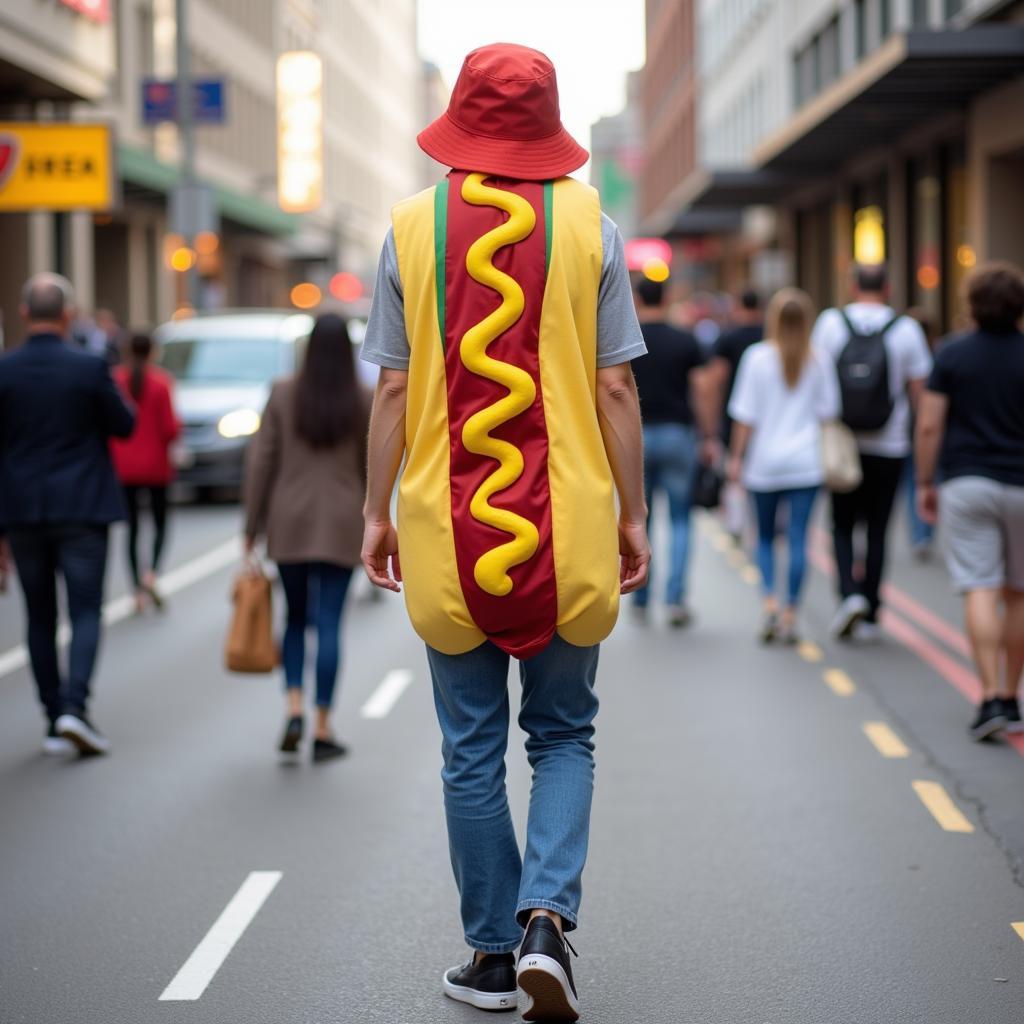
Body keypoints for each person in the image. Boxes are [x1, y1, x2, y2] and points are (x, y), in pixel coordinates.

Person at [359, 43, 649, 1022]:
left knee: (469, 750)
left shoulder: (407, 227)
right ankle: (545, 924)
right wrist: (634, 511)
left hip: (447, 534)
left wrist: (376, 511)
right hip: (570, 530)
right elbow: (614, 383)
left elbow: (394, 387)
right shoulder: (592, 225)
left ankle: (490, 955)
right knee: (564, 734)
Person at [0, 273, 135, 755]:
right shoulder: (88, 367)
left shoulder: (5, 371)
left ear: (22, 314)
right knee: (84, 611)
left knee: (38, 616)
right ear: (68, 315)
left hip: (22, 513)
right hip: (82, 508)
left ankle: (54, 714)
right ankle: (76, 708)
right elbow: (124, 425)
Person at [244, 312, 367, 762]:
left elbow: (261, 463)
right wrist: (375, 515)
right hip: (341, 521)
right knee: (330, 622)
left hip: (289, 521)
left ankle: (292, 705)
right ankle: (322, 724)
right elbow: (372, 465)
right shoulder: (361, 399)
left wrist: (250, 527)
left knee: (295, 619)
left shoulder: (281, 394)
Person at [915, 262, 1024, 741]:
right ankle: (1012, 696)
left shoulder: (953, 355)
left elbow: (929, 424)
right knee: (1018, 592)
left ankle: (986, 696)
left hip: (967, 482)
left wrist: (924, 481)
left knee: (980, 586)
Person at [812, 264, 932, 640]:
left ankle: (848, 595)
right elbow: (920, 393)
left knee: (842, 525)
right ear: (889, 287)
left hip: (843, 444)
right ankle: (873, 609)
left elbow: (816, 381)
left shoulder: (831, 323)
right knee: (879, 528)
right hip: (890, 443)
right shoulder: (907, 329)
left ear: (852, 285)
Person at [727, 288, 840, 644]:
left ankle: (770, 605)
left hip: (764, 464)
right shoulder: (819, 360)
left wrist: (736, 458)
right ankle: (791, 611)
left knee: (762, 538)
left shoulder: (756, 357)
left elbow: (745, 418)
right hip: (806, 464)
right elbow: (829, 413)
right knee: (797, 540)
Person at [630, 275, 707, 626]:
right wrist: (708, 435)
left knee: (638, 517)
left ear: (637, 298)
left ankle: (642, 593)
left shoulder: (626, 339)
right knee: (680, 519)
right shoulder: (684, 340)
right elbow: (702, 390)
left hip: (637, 439)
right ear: (667, 297)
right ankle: (675, 598)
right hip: (678, 435)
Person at [110, 333, 181, 613]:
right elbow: (170, 429)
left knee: (132, 529)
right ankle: (151, 572)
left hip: (124, 466)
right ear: (153, 352)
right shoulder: (161, 383)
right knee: (160, 523)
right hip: (156, 466)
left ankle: (136, 591)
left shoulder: (116, 380)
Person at [705, 288, 765, 538]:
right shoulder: (769, 335)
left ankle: (738, 521)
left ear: (739, 305)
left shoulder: (728, 338)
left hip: (735, 414)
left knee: (736, 469)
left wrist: (712, 421)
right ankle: (761, 519)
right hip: (768, 415)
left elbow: (716, 381)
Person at [903, 306, 938, 559]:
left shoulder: (943, 359)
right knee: (927, 482)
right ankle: (924, 532)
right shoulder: (941, 357)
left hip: (908, 430)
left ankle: (920, 534)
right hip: (926, 432)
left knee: (914, 484)